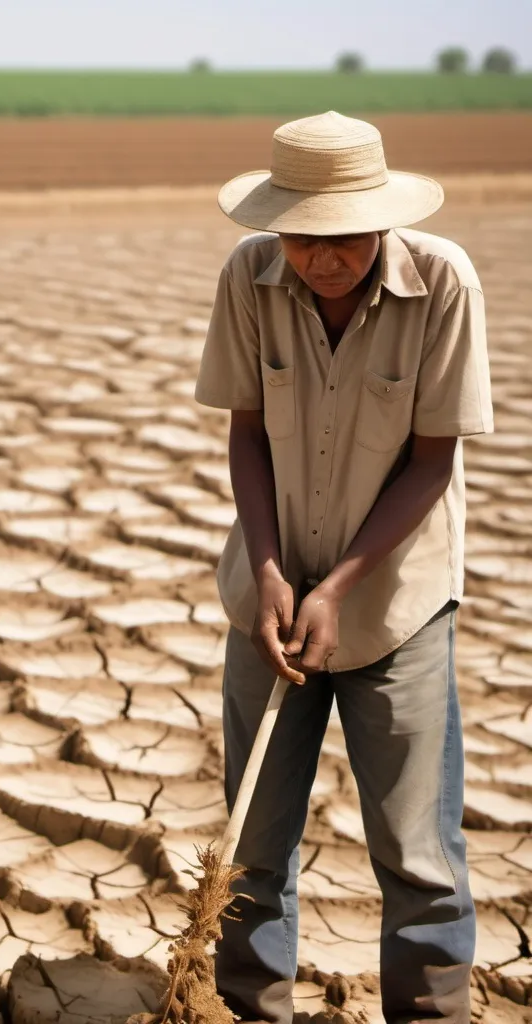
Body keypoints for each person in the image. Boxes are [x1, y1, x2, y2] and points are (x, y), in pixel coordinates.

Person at [194, 110, 493, 1024]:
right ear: (275, 222)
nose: (323, 260)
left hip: (394, 608)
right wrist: (276, 575)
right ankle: (250, 1009)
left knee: (415, 849)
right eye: (303, 238)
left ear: (382, 217)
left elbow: (432, 463)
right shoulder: (251, 275)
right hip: (271, 601)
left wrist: (336, 588)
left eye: (345, 238)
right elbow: (247, 433)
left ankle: (431, 1013)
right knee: (255, 839)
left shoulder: (441, 283)